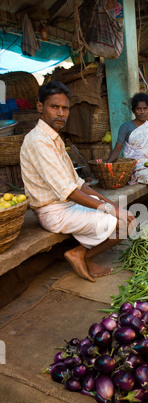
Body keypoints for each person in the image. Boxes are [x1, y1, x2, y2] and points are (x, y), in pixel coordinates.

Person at [20, 80, 136, 283]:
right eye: (54, 107)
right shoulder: (38, 141)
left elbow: (79, 184)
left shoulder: (54, 138)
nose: (61, 113)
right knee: (122, 224)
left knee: (126, 218)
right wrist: (112, 211)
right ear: (40, 107)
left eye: (65, 108)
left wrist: (111, 205)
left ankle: (81, 254)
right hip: (53, 212)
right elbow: (71, 193)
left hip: (68, 206)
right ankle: (79, 254)